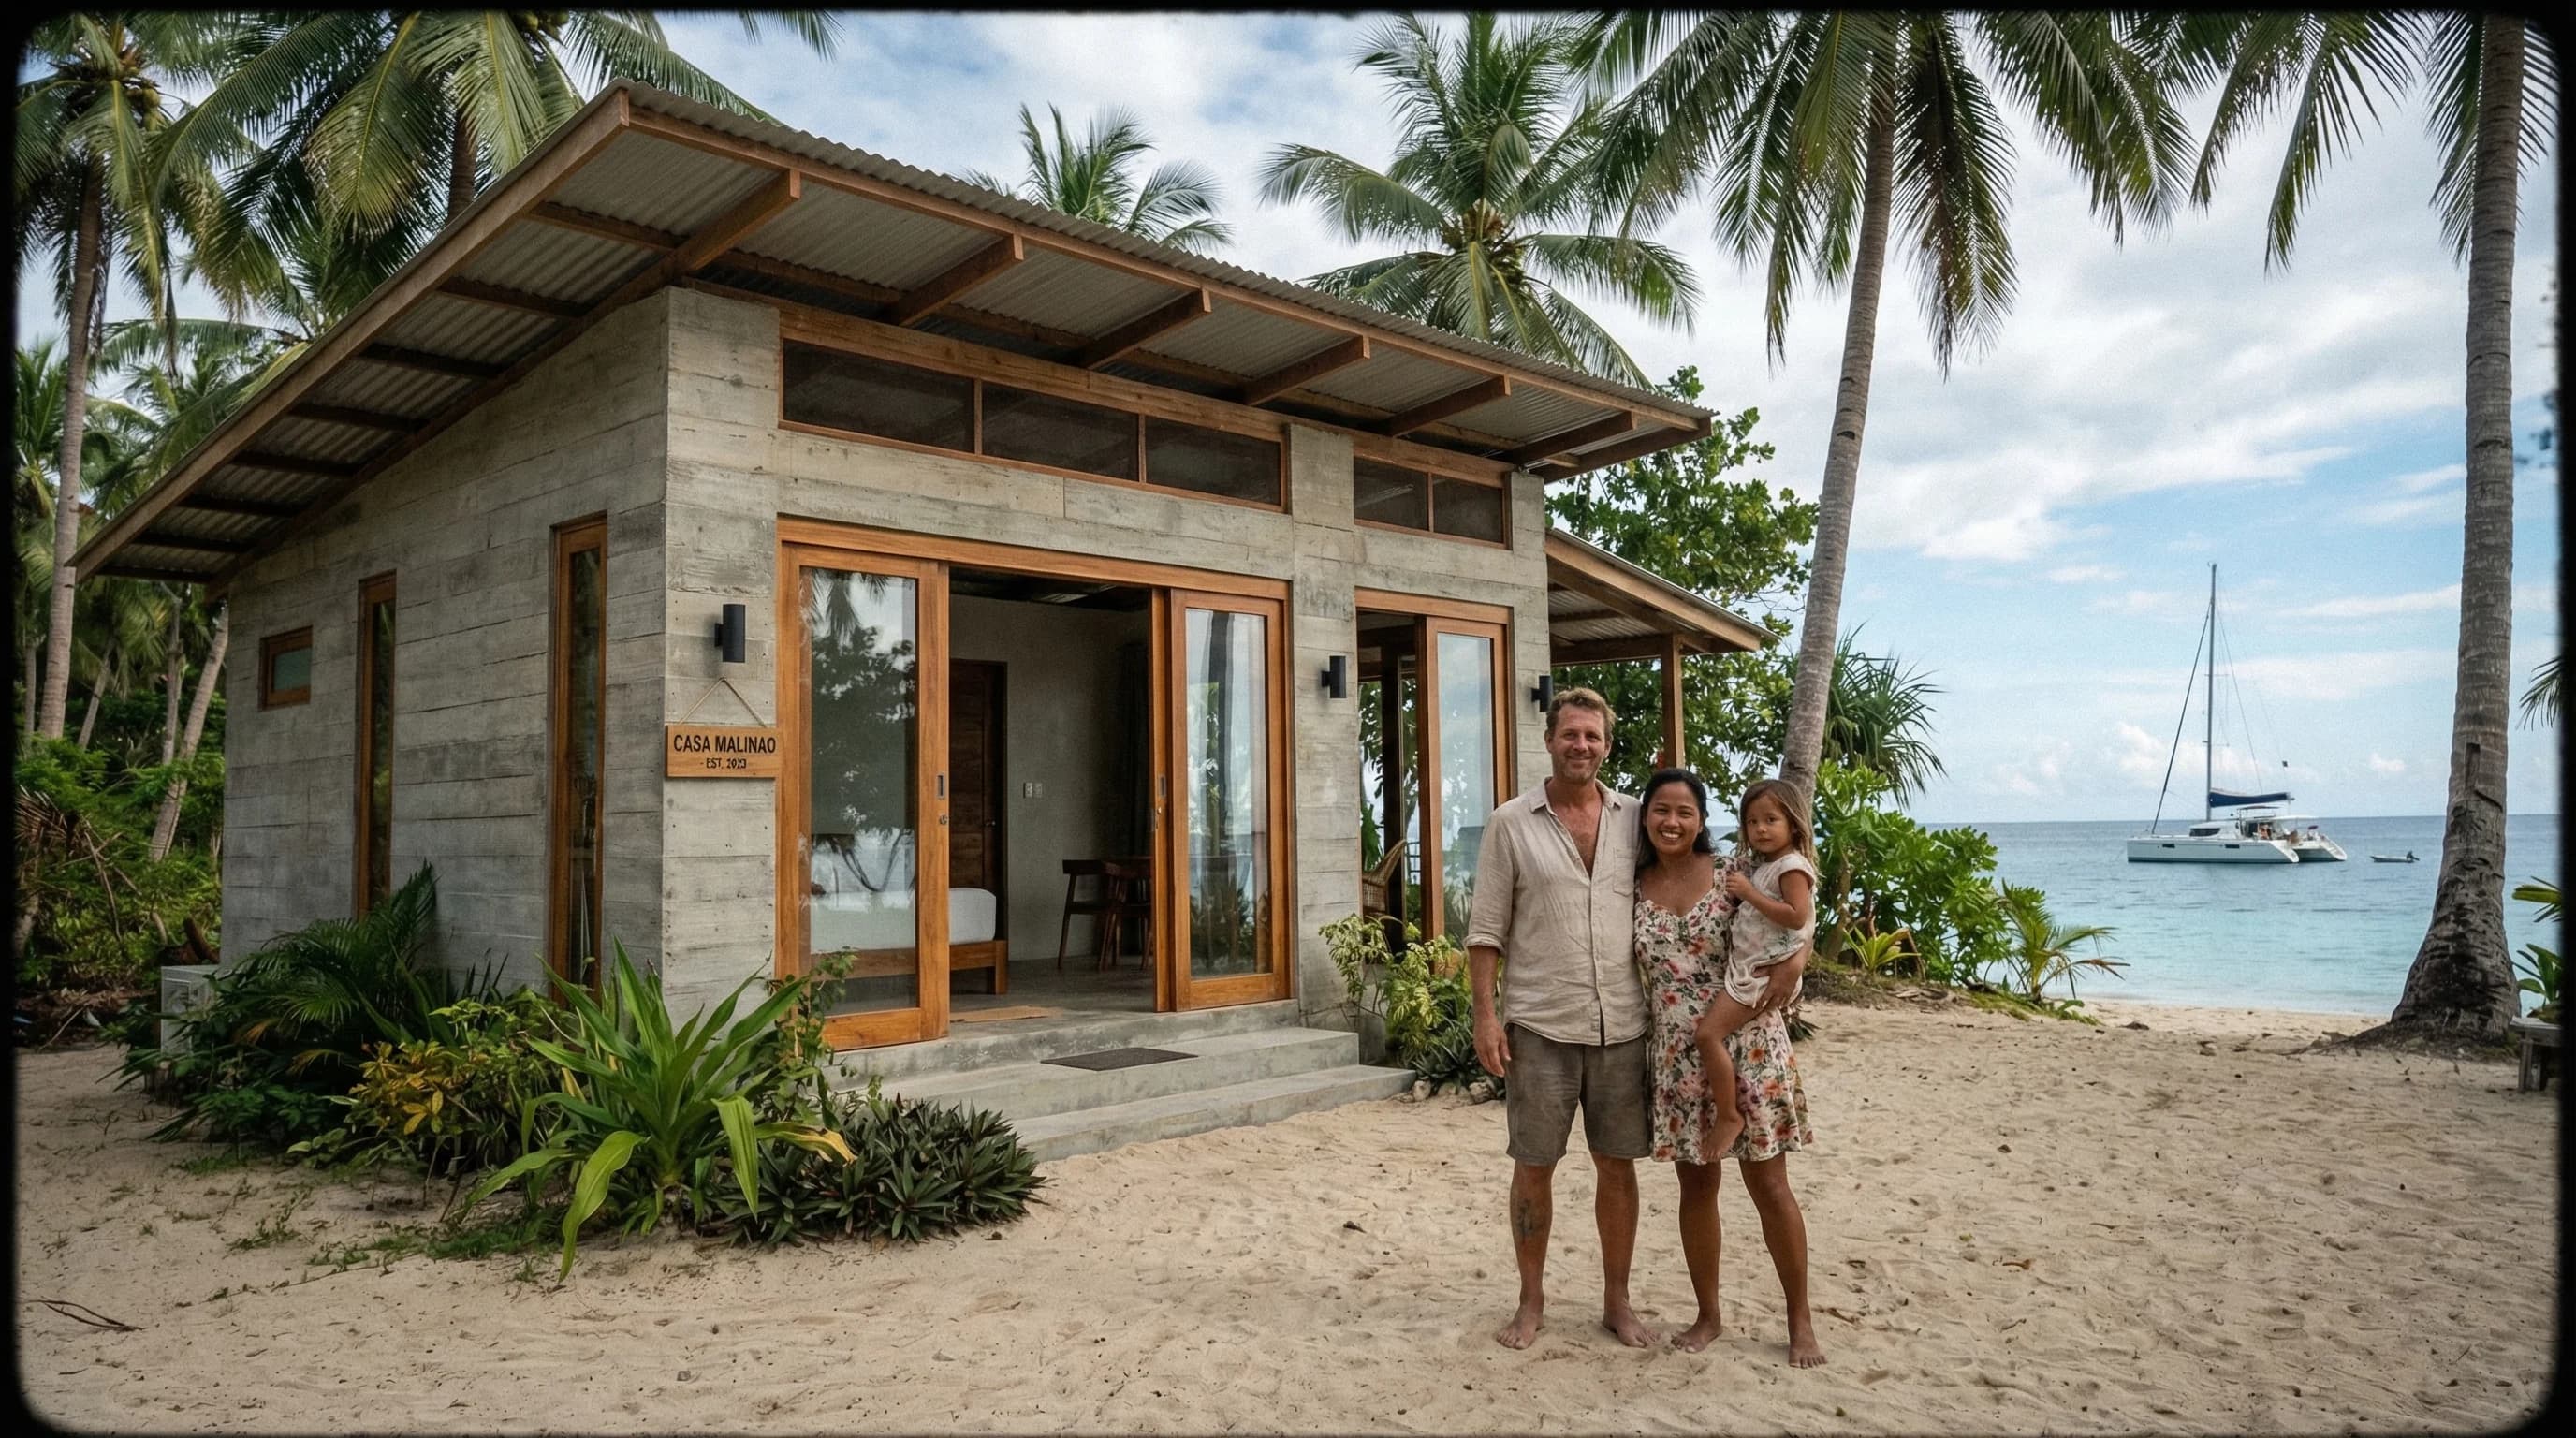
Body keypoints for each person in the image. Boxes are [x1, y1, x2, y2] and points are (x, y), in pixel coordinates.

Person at [1464, 686, 1653, 1350]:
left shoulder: (1635, 820)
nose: (1581, 746)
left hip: (1624, 1025)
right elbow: (1485, 931)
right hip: (1540, 1025)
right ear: (1549, 740)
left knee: (1618, 1166)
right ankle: (1531, 1300)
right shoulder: (1510, 824)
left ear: (1607, 745)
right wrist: (1486, 1017)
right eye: (1570, 735)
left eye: (1593, 737)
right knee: (1534, 1166)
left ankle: (1617, 1303)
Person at [1633, 768, 1822, 1366]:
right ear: (1645, 819)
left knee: (1769, 1184)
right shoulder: (1629, 885)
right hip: (1677, 1054)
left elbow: (1796, 916)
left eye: (1685, 812)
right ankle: (1708, 1314)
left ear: (1702, 820)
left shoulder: (1731, 875)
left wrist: (1797, 965)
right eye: (1661, 810)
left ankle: (1801, 1320)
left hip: (1750, 1040)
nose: (1672, 822)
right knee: (1697, 1186)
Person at [1693, 779, 1818, 1155]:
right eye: (1751, 822)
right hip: (1752, 969)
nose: (1760, 829)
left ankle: (1729, 1115)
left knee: (1707, 1036)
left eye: (1771, 820)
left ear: (1793, 824)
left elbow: (1798, 917)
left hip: (1761, 975)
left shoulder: (1792, 867)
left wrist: (1750, 894)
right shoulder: (1763, 865)